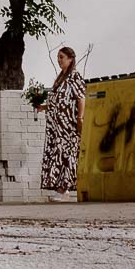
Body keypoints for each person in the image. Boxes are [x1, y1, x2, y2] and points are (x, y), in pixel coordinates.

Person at [38, 46, 86, 201]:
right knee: (57, 154)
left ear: (70, 59)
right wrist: (44, 107)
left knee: (67, 154)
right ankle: (61, 189)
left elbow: (81, 98)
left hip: (68, 124)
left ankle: (63, 188)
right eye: (58, 57)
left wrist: (80, 118)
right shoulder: (61, 77)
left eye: (62, 57)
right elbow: (58, 100)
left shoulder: (74, 76)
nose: (59, 60)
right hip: (56, 124)